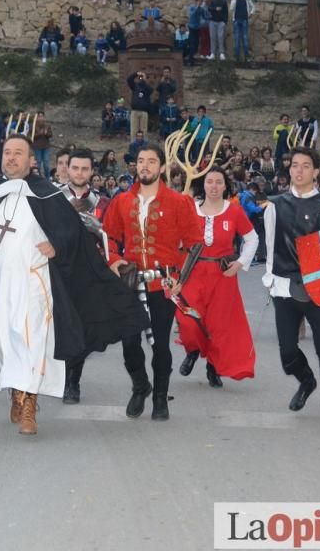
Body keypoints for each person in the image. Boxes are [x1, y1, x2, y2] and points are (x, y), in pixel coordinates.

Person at [0, 135, 147, 435]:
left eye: (18, 153)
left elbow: (71, 234)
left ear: (31, 160)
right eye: (7, 152)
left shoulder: (47, 193)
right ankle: (16, 391)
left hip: (34, 282)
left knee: (32, 341)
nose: (10, 158)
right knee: (5, 342)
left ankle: (29, 406)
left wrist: (55, 245)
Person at [103, 144, 203, 420]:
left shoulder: (179, 202)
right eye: (140, 161)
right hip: (131, 283)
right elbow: (107, 237)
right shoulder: (121, 201)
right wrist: (114, 260)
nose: (144, 166)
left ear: (161, 167)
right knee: (129, 342)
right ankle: (140, 386)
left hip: (163, 285)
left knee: (160, 344)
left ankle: (160, 397)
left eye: (151, 161)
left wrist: (180, 278)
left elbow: (195, 244)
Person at [262, 146, 320, 423]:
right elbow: (270, 245)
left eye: (305, 166)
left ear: (316, 172)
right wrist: (270, 278)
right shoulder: (275, 205)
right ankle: (306, 381)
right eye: (294, 165)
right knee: (288, 353)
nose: (299, 170)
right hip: (284, 286)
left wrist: (318, 266)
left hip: (319, 289)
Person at [178, 166, 259, 386]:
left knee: (218, 325)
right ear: (203, 185)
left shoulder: (233, 211)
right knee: (188, 320)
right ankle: (193, 350)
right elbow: (177, 238)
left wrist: (240, 263)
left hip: (222, 275)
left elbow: (252, 239)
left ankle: (213, 367)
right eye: (209, 181)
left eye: (218, 182)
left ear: (225, 186)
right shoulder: (190, 208)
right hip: (193, 273)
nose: (213, 186)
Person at [59, 149, 111, 403]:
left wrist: (99, 229)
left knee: (82, 329)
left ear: (92, 171)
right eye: (75, 168)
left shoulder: (103, 202)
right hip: (58, 271)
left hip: (89, 273)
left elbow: (114, 239)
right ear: (67, 169)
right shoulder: (52, 198)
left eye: (84, 169)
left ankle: (72, 381)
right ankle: (60, 375)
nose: (79, 173)